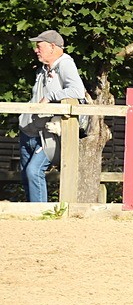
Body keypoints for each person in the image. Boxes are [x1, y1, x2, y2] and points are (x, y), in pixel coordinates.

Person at [17, 30, 86, 202]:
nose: (36, 50)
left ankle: (40, 213)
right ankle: (30, 213)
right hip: (28, 131)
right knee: (26, 175)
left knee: (34, 171)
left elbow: (78, 91)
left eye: (39, 46)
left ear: (52, 47)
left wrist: (50, 96)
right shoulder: (43, 69)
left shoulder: (65, 64)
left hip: (47, 134)